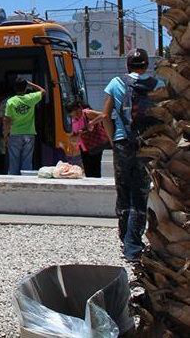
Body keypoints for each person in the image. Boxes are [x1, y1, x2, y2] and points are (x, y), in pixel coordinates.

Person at [98, 48, 160, 262]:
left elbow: (106, 115)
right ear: (146, 65)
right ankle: (134, 244)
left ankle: (126, 240)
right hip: (147, 145)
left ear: (128, 65)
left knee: (123, 191)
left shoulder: (116, 83)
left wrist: (113, 140)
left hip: (123, 142)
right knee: (140, 193)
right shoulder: (156, 85)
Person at [2, 79, 46, 175]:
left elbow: (7, 120)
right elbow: (43, 91)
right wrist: (29, 83)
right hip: (29, 134)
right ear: (26, 88)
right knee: (27, 161)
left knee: (14, 160)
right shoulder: (31, 98)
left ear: (14, 88)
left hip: (15, 134)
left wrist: (5, 135)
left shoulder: (10, 102)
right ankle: (26, 180)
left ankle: (13, 181)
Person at [67, 100, 106, 178]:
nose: (73, 115)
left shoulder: (87, 113)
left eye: (74, 112)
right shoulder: (74, 119)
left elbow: (103, 115)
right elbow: (76, 133)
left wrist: (92, 123)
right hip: (84, 147)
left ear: (78, 109)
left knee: (95, 169)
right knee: (88, 170)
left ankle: (96, 186)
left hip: (94, 144)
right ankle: (92, 187)